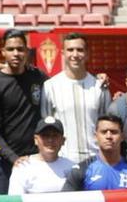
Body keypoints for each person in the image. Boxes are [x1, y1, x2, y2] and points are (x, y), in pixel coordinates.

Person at [0, 30, 50, 184]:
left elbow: (60, 89)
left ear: (27, 51)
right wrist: (14, 158)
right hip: (9, 163)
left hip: (39, 158)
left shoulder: (38, 77)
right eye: (11, 49)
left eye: (20, 49)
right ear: (3, 52)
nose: (16, 53)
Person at [42, 31, 109, 166]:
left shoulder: (100, 86)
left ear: (87, 54)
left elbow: (107, 123)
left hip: (96, 159)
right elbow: (47, 125)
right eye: (70, 50)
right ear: (63, 53)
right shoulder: (50, 86)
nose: (75, 55)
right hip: (62, 160)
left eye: (80, 50)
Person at [8, 117, 86, 195]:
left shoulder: (72, 168)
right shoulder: (22, 167)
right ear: (35, 140)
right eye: (45, 136)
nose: (50, 140)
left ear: (63, 140)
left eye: (55, 136)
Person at [83, 114, 127, 190]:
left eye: (114, 132)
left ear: (122, 137)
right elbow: (66, 199)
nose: (109, 136)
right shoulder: (82, 170)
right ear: (95, 136)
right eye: (104, 132)